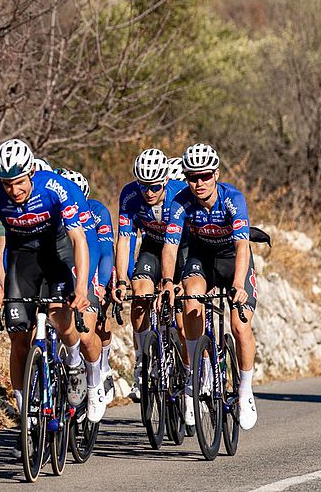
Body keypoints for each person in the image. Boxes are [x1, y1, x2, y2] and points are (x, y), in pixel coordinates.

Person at [0, 139, 92, 456]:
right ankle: (27, 419)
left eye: (18, 183)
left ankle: (72, 365)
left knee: (63, 319)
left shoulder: (56, 188)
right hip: (22, 260)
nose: (13, 191)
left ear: (31, 171)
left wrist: (81, 287)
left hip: (57, 254)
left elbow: (78, 239)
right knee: (18, 338)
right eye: (7, 184)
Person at [160, 143, 259, 430]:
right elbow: (170, 245)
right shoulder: (181, 202)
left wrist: (239, 284)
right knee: (191, 300)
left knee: (239, 326)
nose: (199, 183)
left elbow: (243, 245)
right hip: (202, 258)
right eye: (193, 177)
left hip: (232, 260)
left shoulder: (232, 199)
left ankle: (244, 391)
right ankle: (196, 374)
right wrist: (168, 281)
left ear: (215, 174)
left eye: (204, 176)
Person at [114, 148, 185, 400]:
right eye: (144, 186)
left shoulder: (179, 193)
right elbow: (124, 239)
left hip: (182, 248)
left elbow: (178, 246)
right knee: (140, 293)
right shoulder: (130, 195)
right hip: (153, 247)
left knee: (182, 316)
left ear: (165, 180)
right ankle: (142, 364)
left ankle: (189, 370)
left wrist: (174, 282)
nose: (149, 192)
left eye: (155, 186)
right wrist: (121, 279)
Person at [60, 169, 114, 423]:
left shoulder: (95, 212)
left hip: (87, 272)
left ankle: (98, 376)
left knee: (85, 334)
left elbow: (102, 251)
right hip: (59, 272)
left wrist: (99, 283)